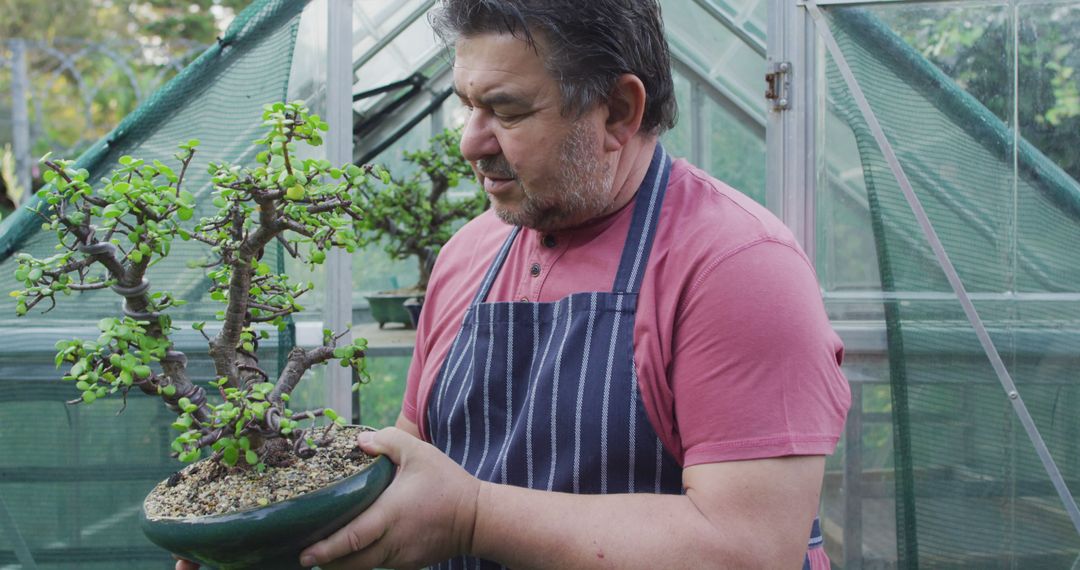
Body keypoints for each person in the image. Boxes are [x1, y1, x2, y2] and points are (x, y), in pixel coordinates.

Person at [179, 1, 850, 568]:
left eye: (507, 111)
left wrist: (473, 517)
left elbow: (748, 547)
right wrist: (295, 536)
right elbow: (413, 459)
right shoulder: (471, 252)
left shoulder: (734, 266)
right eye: (467, 104)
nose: (470, 142)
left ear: (617, 111)